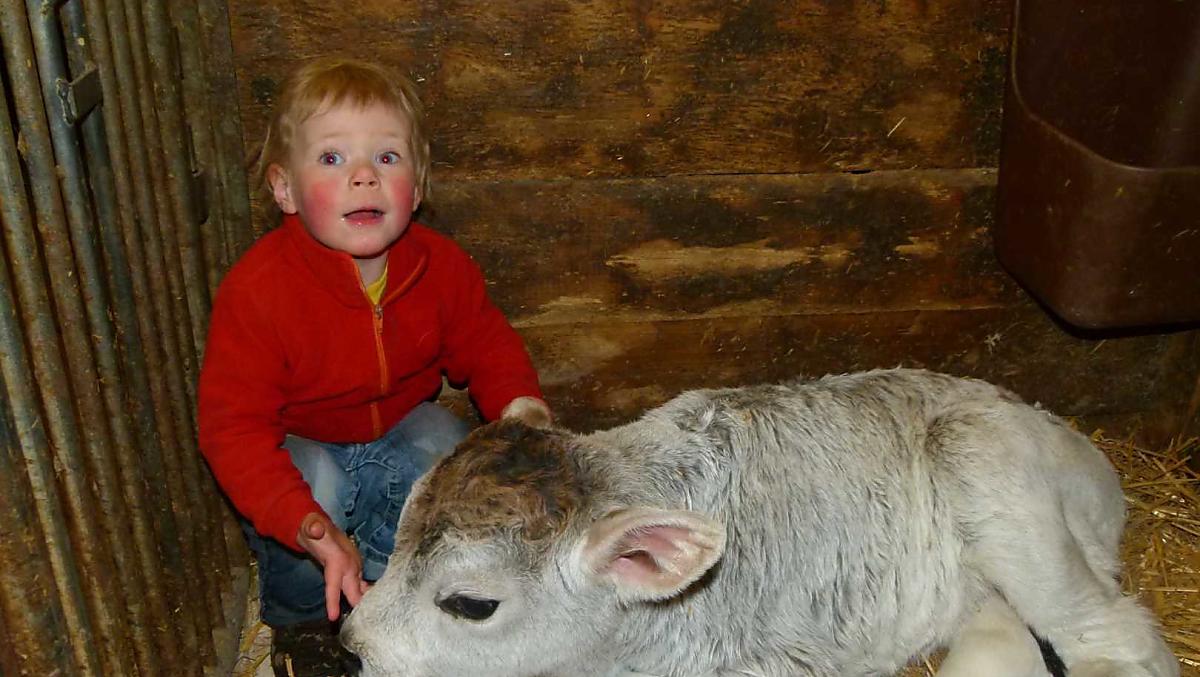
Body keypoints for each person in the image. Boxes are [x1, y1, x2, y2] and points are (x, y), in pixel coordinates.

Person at [198, 55, 551, 676]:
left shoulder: (439, 267)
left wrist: (522, 409)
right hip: (300, 443)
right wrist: (302, 520)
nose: (364, 176)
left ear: (416, 186)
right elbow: (233, 429)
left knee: (444, 443)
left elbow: (485, 342)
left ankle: (394, 592)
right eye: (332, 158)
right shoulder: (257, 293)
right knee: (312, 487)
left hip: (396, 425)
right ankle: (306, 623)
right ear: (284, 189)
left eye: (387, 157)